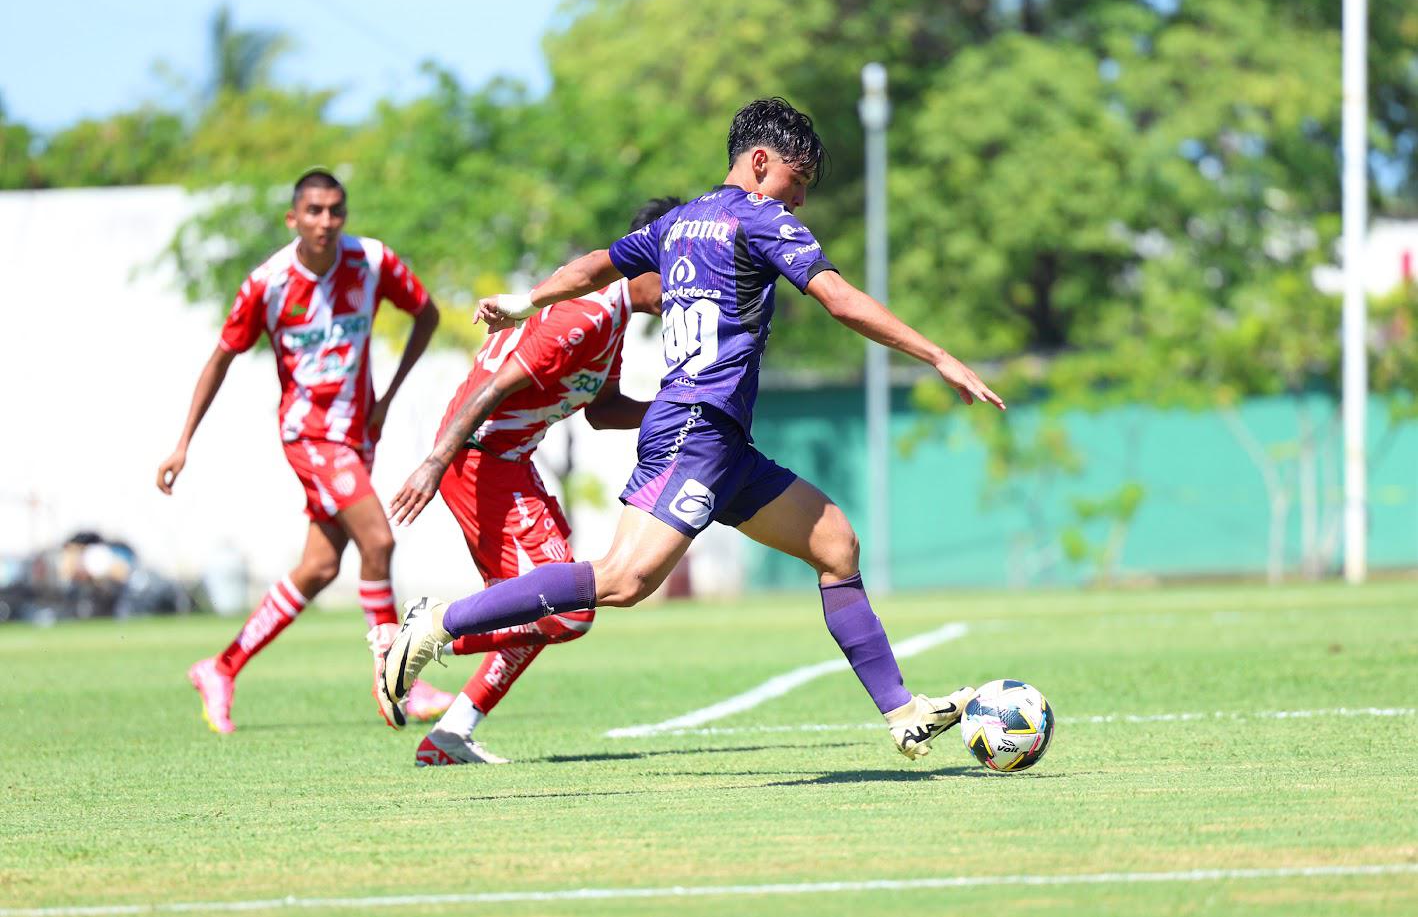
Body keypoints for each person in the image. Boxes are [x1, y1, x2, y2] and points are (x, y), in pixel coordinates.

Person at [380, 99, 1005, 761]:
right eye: (795, 182)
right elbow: (838, 299)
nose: (798, 202)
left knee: (835, 544)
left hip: (722, 441)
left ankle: (903, 713)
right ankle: (438, 624)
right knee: (622, 579)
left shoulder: (678, 222)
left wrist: (525, 300)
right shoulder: (759, 217)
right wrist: (937, 355)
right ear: (760, 163)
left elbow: (595, 265)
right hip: (694, 429)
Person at [381, 197, 682, 766]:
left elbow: (603, 411)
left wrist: (681, 405)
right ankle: (422, 635)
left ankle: (450, 734)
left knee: (540, 605)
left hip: (511, 462)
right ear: (650, 262)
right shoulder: (584, 314)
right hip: (480, 461)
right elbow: (492, 388)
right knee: (567, 611)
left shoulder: (610, 317)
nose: (687, 290)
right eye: (681, 273)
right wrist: (434, 462)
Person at [158, 169, 454, 734]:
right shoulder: (268, 283)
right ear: (292, 218)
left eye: (335, 210)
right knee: (378, 540)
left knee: (319, 567)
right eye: (314, 211)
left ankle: (221, 668)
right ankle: (398, 680)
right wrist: (183, 443)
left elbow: (428, 315)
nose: (326, 221)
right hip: (309, 434)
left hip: (358, 433)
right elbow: (220, 359)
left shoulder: (372, 261)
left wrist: (388, 396)